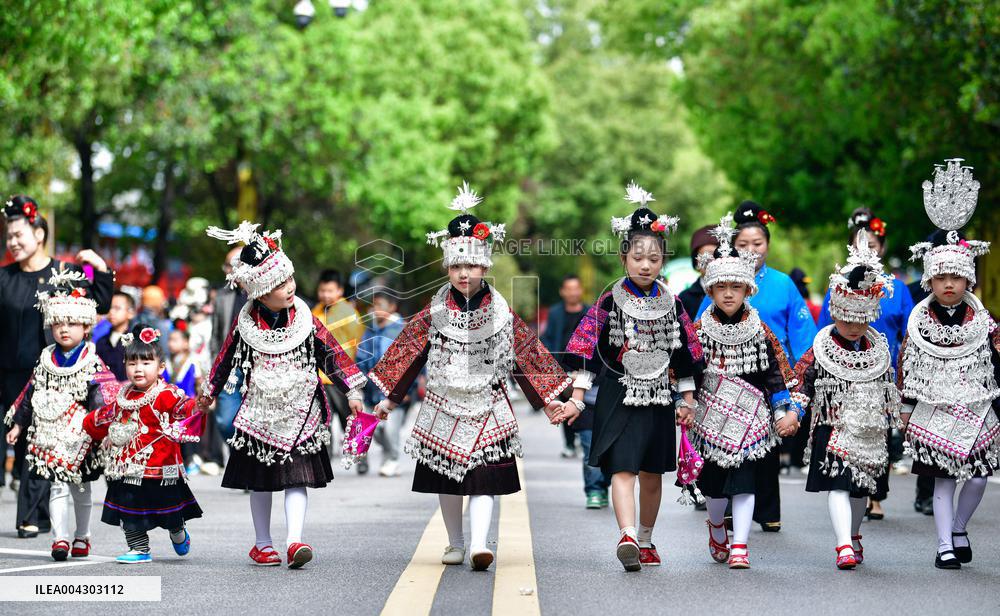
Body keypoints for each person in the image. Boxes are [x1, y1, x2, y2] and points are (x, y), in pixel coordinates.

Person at [369, 183, 571, 572]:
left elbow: (524, 354)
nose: (464, 273)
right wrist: (390, 399)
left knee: (484, 477)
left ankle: (479, 543)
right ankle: (455, 542)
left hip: (488, 403)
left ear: (485, 267)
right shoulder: (433, 311)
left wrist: (550, 401)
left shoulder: (500, 311)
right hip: (443, 403)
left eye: (472, 265)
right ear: (447, 268)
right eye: (456, 266)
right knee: (446, 478)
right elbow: (409, 354)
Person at [200, 221, 367, 569]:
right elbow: (226, 357)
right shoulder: (245, 324)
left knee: (297, 478)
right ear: (260, 292)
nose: (289, 287)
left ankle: (294, 541)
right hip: (258, 411)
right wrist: (209, 392)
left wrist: (352, 389)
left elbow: (331, 354)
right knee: (260, 481)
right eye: (279, 284)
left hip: (302, 410)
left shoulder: (306, 318)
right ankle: (262, 544)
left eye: (289, 279)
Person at [560, 183, 704, 571]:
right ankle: (626, 535)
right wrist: (577, 399)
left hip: (658, 397)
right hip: (617, 394)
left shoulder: (672, 303)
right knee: (622, 468)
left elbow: (686, 356)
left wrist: (687, 400)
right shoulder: (608, 301)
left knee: (651, 474)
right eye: (638, 257)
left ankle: (645, 538)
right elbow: (586, 351)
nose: (645, 265)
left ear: (662, 261)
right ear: (623, 258)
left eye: (654, 259)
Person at [899, 159, 1000, 570]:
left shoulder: (985, 320)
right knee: (942, 479)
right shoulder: (919, 321)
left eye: (955, 278)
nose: (948, 284)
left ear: (967, 280)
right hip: (934, 406)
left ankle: (959, 528)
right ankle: (944, 545)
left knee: (978, 476)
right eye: (940, 277)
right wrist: (906, 410)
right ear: (930, 280)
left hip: (977, 405)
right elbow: (907, 365)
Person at [695, 200, 817, 532]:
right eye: (744, 244)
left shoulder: (783, 283)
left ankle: (767, 511)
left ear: (768, 244)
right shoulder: (722, 279)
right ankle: (727, 510)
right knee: (726, 448)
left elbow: (803, 335)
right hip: (726, 378)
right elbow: (699, 333)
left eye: (757, 243)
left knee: (766, 450)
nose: (751, 249)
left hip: (771, 373)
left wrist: (798, 381)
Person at [795, 231, 901, 569]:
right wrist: (793, 411)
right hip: (833, 425)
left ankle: (853, 535)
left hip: (870, 429)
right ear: (835, 313)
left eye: (862, 319)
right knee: (839, 485)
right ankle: (843, 545)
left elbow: (890, 386)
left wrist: (901, 416)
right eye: (847, 319)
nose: (854, 326)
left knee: (860, 489)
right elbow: (802, 380)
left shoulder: (879, 348)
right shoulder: (822, 347)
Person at [1, 196, 113, 513]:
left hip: (54, 376)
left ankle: (34, 518)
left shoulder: (64, 273)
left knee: (44, 444)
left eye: (18, 235)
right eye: (9, 237)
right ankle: (36, 512)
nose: (12, 242)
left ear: (39, 234)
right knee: (21, 445)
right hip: (9, 376)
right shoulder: (4, 278)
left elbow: (101, 302)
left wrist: (100, 267)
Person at [4, 270, 118, 556]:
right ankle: (60, 539)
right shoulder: (45, 358)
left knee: (80, 489)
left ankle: (82, 536)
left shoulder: (91, 360)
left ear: (86, 327)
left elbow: (102, 397)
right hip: (50, 432)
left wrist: (102, 429)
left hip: (81, 435)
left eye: (72, 323)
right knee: (56, 486)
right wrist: (18, 424)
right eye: (58, 323)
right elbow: (30, 392)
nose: (64, 329)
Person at [817, 208, 916, 520]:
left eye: (872, 246)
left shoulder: (896, 288)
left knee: (879, 432)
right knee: (848, 429)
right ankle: (848, 486)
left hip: (883, 369)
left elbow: (910, 332)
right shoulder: (838, 285)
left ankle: (875, 494)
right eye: (860, 245)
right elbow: (823, 329)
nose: (867, 251)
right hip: (843, 368)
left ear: (881, 249)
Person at [83, 326, 204, 564]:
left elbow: (185, 408)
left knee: (170, 511)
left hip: (161, 468)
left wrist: (198, 405)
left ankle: (177, 530)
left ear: (161, 367)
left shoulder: (167, 393)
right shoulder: (122, 395)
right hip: (128, 467)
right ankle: (138, 547)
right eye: (132, 363)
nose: (138, 368)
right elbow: (106, 416)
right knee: (128, 509)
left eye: (146, 363)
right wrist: (86, 423)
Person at [354, 292, 411, 477]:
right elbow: (361, 358)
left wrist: (408, 389)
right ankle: (388, 456)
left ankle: (392, 460)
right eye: (374, 305)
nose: (375, 309)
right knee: (376, 429)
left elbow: (413, 362)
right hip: (372, 391)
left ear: (392, 307)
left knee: (389, 429)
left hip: (395, 391)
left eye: (379, 305)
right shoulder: (370, 331)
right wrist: (360, 380)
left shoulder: (402, 330)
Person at [312, 269, 366, 450]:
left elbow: (359, 342)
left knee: (349, 419)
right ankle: (325, 458)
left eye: (330, 291)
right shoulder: (316, 311)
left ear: (340, 290)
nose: (325, 295)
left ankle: (358, 453)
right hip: (321, 377)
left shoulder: (348, 313)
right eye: (322, 290)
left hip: (342, 377)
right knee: (323, 422)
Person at [540, 275, 589, 460]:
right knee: (563, 405)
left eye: (576, 288)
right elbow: (548, 339)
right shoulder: (555, 313)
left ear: (581, 290)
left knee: (583, 404)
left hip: (584, 368)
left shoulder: (589, 312)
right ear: (562, 291)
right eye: (569, 288)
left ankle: (583, 440)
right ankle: (569, 444)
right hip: (561, 368)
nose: (573, 292)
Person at [209, 247, 247, 450]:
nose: (228, 270)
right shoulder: (222, 296)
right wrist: (214, 366)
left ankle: (247, 458)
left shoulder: (262, 294)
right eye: (227, 265)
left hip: (256, 367)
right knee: (225, 421)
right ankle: (239, 452)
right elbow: (215, 336)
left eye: (232, 265)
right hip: (229, 368)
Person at [164, 327, 202, 474]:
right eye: (169, 340)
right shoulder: (166, 361)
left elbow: (199, 382)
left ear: (185, 343)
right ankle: (173, 463)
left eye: (175, 340)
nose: (170, 343)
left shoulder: (193, 361)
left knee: (186, 435)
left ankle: (190, 460)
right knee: (171, 436)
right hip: (169, 405)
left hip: (188, 405)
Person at [679, 225, 718, 319]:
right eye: (704, 256)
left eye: (714, 255)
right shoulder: (685, 299)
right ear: (696, 261)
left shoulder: (735, 293)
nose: (710, 261)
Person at [95, 291, 136, 382]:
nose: (111, 312)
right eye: (110, 308)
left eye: (117, 308)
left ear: (131, 313)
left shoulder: (136, 342)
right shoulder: (101, 341)